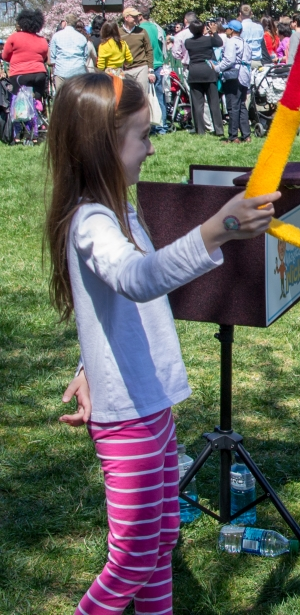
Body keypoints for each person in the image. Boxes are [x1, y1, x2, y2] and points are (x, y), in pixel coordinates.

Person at [47, 72, 279, 615]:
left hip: (152, 406)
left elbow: (108, 305)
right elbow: (136, 278)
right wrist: (218, 227)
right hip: (126, 418)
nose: (152, 147)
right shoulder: (92, 220)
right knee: (130, 556)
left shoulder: (121, 208)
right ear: (104, 144)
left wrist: (88, 363)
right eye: (142, 135)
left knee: (162, 537)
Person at [184, 19, 224, 136]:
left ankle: (200, 130)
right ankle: (219, 129)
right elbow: (219, 42)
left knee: (197, 104)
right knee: (214, 102)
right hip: (208, 71)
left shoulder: (188, 42)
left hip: (194, 72)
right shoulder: (208, 40)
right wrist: (214, 32)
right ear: (203, 29)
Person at [217, 19, 252, 143]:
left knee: (232, 106)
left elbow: (229, 60)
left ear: (232, 30)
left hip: (233, 75)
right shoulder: (245, 42)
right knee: (241, 105)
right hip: (245, 75)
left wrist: (217, 68)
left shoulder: (231, 42)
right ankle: (246, 135)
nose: (226, 30)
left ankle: (233, 136)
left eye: (227, 28)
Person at [1, 8, 49, 99]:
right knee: (37, 100)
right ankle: (39, 107)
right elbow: (43, 58)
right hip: (40, 74)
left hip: (20, 75)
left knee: (19, 103)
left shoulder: (14, 37)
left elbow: (5, 56)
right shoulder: (42, 40)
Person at [138, 8, 168, 129]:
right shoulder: (158, 28)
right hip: (159, 64)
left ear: (140, 16)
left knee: (145, 97)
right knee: (159, 96)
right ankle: (162, 125)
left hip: (145, 65)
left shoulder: (139, 30)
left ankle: (149, 126)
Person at [49, 12, 91, 92]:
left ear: (65, 22)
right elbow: (85, 56)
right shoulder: (82, 37)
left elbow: (53, 56)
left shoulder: (56, 36)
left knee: (61, 97)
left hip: (61, 70)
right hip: (78, 71)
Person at [120, 7, 154, 94]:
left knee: (142, 95)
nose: (137, 18)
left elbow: (149, 50)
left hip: (141, 67)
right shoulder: (118, 32)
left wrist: (150, 70)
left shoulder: (142, 31)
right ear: (126, 18)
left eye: (137, 16)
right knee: (127, 96)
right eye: (133, 16)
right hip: (125, 69)